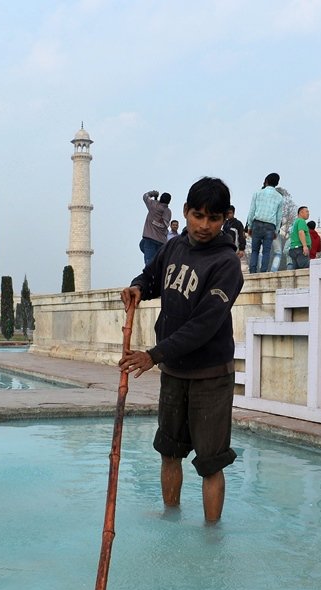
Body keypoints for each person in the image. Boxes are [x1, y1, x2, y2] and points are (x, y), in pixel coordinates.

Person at [119, 177, 243, 523]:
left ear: (225, 218)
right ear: (186, 212)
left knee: (210, 461)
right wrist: (137, 288)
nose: (204, 225)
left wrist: (154, 354)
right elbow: (152, 276)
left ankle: (210, 535)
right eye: (198, 215)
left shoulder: (226, 263)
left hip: (210, 376)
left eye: (213, 218)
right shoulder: (173, 248)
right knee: (169, 451)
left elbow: (205, 323)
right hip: (175, 373)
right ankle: (169, 519)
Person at [245, 172, 285, 273]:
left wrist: (249, 226)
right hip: (270, 226)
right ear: (276, 183)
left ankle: (253, 271)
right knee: (266, 252)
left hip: (257, 224)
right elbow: (279, 217)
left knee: (255, 250)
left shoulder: (257, 193)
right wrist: (276, 231)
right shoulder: (279, 197)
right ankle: (263, 271)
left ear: (266, 181)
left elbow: (251, 211)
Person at [140, 190, 172, 264]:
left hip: (150, 238)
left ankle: (151, 274)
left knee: (149, 264)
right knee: (142, 245)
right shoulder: (167, 211)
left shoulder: (153, 205)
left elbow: (145, 196)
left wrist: (153, 193)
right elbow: (165, 224)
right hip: (161, 241)